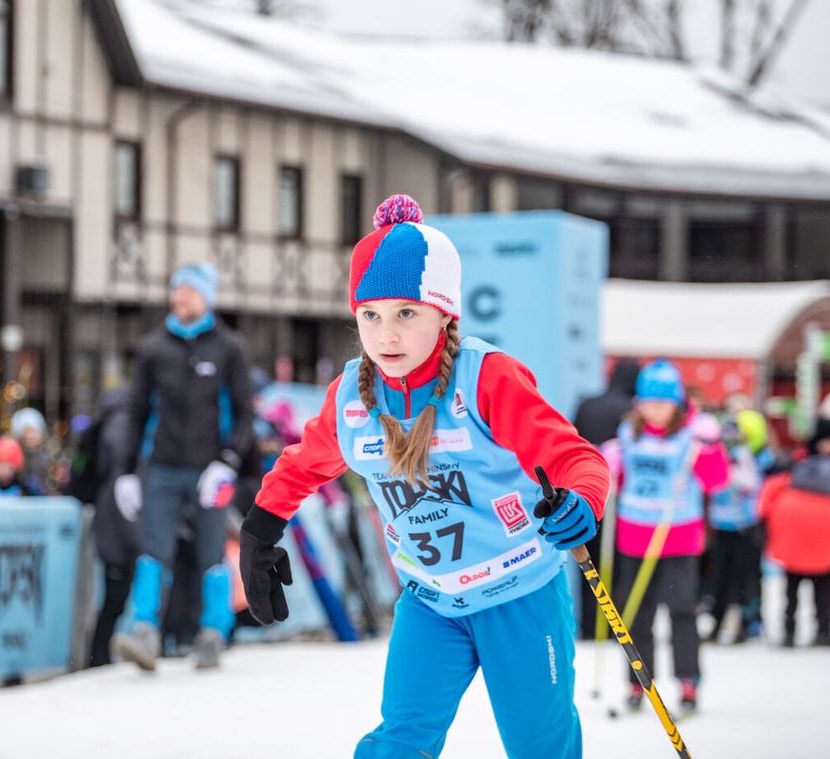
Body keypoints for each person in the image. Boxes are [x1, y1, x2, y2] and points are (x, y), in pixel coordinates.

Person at [238, 195, 609, 758]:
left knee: (541, 745)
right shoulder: (351, 398)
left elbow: (573, 456)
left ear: (444, 314)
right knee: (400, 742)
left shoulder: (486, 378)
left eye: (405, 314)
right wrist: (259, 533)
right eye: (371, 315)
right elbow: (302, 465)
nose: (386, 335)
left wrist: (581, 498)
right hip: (431, 602)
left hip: (520, 595)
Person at [112, 262, 255, 671]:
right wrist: (126, 472)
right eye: (176, 291)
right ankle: (144, 630)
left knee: (213, 550)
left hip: (212, 469)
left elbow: (245, 413)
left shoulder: (229, 348)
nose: (181, 299)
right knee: (154, 548)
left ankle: (213, 632)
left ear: (207, 297)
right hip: (162, 467)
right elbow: (136, 411)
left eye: (190, 291)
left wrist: (228, 461)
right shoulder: (154, 348)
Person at [612, 359, 728, 717]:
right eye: (648, 404)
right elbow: (617, 476)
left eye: (662, 404)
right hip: (634, 535)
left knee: (680, 611)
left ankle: (688, 681)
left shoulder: (691, 438)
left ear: (677, 404)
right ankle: (637, 681)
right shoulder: (629, 434)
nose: (655, 411)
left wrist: (709, 451)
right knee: (634, 615)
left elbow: (717, 481)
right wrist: (608, 466)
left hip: (677, 537)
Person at [759, 418, 830, 647]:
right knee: (822, 591)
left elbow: (767, 499)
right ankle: (822, 631)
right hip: (826, 541)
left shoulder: (795, 465)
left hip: (793, 539)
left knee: (792, 591)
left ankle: (790, 631)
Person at [571, 358, 639, 639]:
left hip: (584, 492)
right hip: (618, 497)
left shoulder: (588, 405)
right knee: (618, 562)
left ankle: (589, 623)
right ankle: (613, 625)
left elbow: (573, 443)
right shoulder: (631, 411)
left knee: (588, 559)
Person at [84, 387, 141, 667]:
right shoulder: (123, 424)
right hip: (118, 526)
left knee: (114, 596)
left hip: (113, 524)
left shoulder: (109, 422)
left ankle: (99, 654)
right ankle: (98, 655)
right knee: (115, 596)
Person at [702, 414, 763, 644]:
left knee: (740, 579)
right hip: (719, 525)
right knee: (718, 578)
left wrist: (732, 472)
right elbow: (711, 484)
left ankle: (741, 624)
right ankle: (716, 624)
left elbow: (750, 484)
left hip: (741, 527)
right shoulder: (716, 454)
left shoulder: (744, 456)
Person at [11, 407, 59, 496]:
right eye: (26, 432)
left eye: (33, 432)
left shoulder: (49, 460)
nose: (30, 437)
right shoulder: (14, 460)